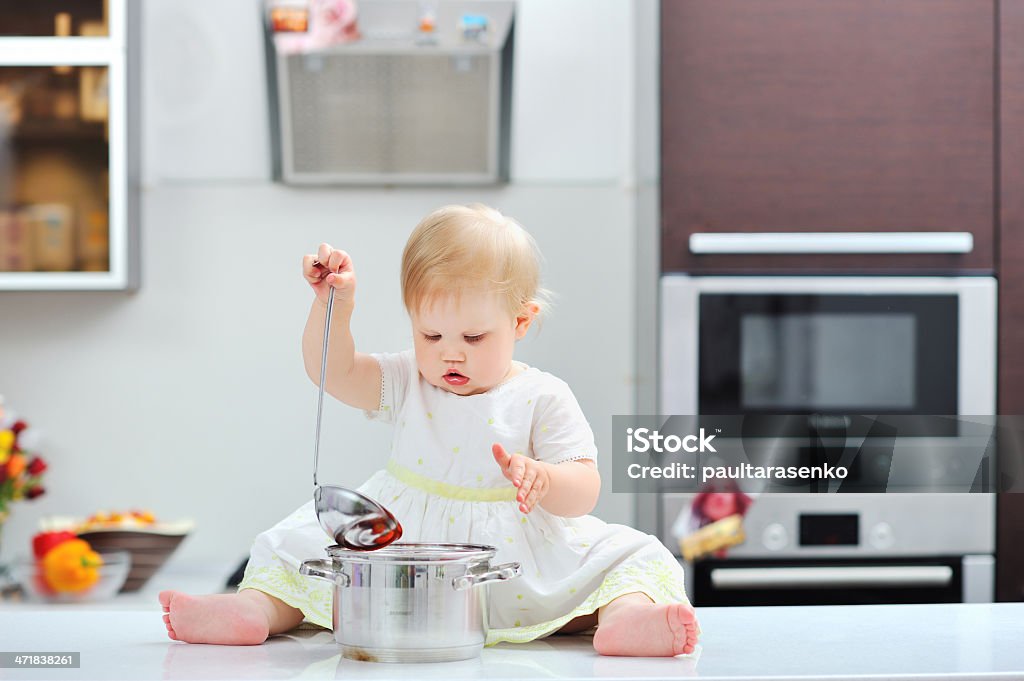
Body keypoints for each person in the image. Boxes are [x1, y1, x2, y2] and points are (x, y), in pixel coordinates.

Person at [160, 204, 699, 657]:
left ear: (521, 322)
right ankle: (251, 611)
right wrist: (334, 308)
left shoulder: (542, 395)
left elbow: (585, 488)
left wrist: (545, 480)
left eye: (473, 335)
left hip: (506, 559)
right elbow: (335, 373)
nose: (449, 353)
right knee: (287, 546)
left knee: (636, 555)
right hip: (401, 542)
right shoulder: (407, 378)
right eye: (431, 332)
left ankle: (626, 621)